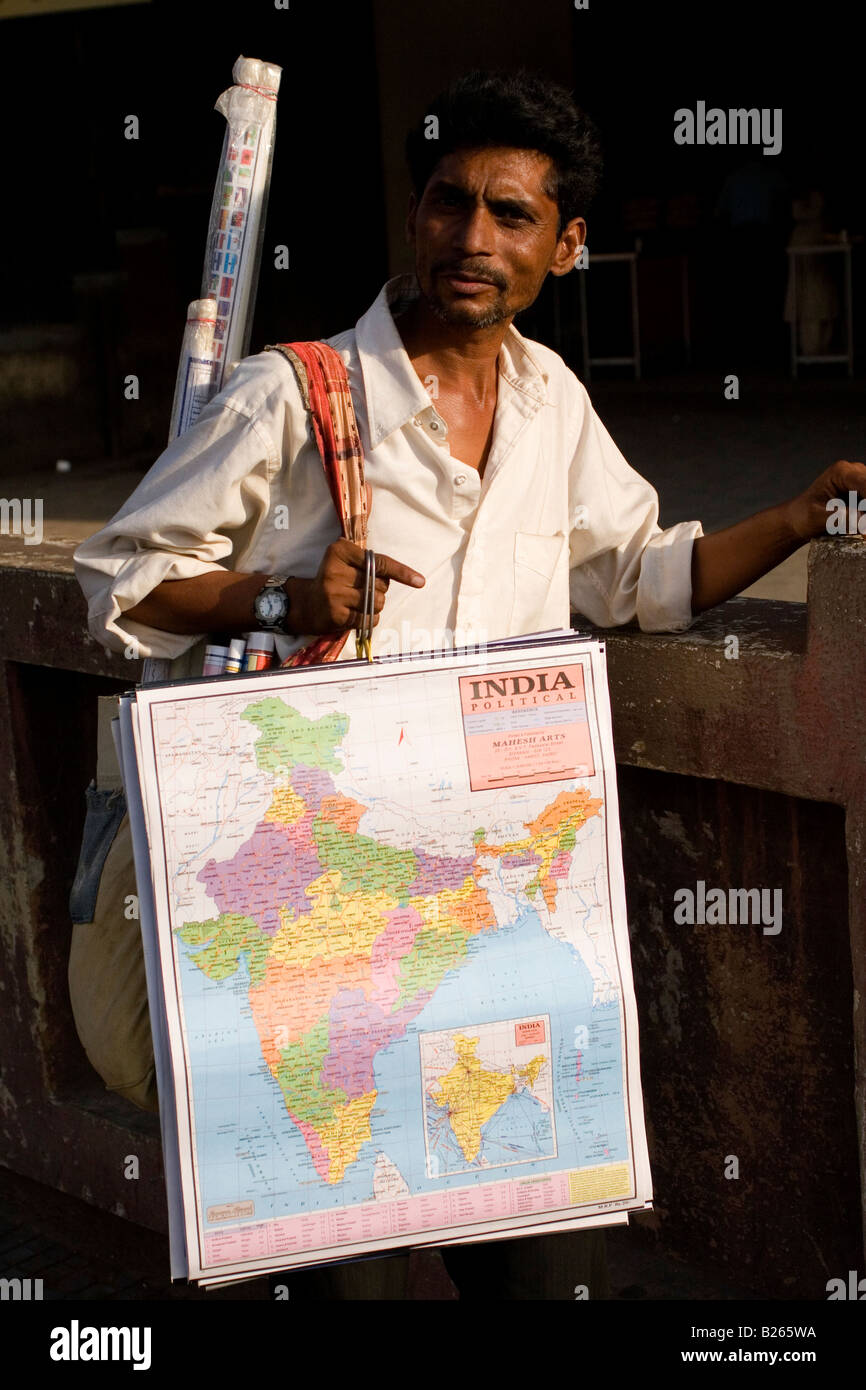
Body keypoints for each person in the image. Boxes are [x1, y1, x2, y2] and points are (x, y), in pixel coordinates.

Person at [73, 69, 865, 1299]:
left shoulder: (553, 401)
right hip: (318, 924)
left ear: (567, 244)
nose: (473, 241)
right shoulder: (293, 393)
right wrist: (279, 596)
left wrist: (800, 516)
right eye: (450, 205)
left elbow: (639, 577)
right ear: (415, 214)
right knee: (358, 1258)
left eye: (512, 216)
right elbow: (122, 576)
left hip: (483, 915)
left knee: (537, 1247)